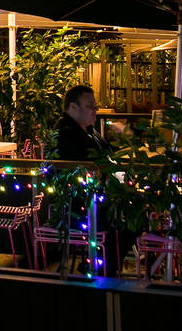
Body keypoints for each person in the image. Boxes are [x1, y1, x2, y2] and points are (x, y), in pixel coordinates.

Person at [50, 85, 133, 277]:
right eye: (90, 106)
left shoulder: (88, 131)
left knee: (133, 213)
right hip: (80, 205)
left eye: (95, 106)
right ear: (73, 108)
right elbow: (90, 164)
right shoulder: (67, 134)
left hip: (97, 197)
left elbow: (106, 157)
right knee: (131, 218)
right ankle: (104, 267)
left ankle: (105, 265)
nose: (95, 110)